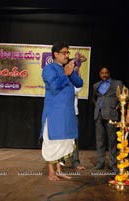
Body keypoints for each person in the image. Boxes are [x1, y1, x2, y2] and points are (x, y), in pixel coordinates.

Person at [40, 41, 83, 181]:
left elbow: (80, 83)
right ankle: (51, 172)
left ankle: (59, 170)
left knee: (64, 141)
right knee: (52, 141)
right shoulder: (49, 69)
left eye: (67, 53)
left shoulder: (67, 69)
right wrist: (65, 74)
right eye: (64, 53)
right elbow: (53, 86)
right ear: (55, 54)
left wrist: (71, 72)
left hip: (67, 112)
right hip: (54, 112)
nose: (66, 55)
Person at [92, 65, 123, 173]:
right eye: (102, 73)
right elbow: (94, 98)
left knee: (112, 140)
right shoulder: (96, 85)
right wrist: (97, 106)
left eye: (106, 73)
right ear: (99, 74)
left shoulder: (117, 83)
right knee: (100, 140)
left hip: (111, 114)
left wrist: (118, 105)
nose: (104, 74)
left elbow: (127, 95)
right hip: (99, 115)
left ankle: (113, 164)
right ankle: (100, 163)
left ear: (109, 73)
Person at [70, 86, 85, 170]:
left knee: (74, 140)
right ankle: (60, 162)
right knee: (61, 140)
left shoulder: (74, 85)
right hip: (61, 114)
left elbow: (78, 88)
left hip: (73, 114)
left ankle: (75, 162)